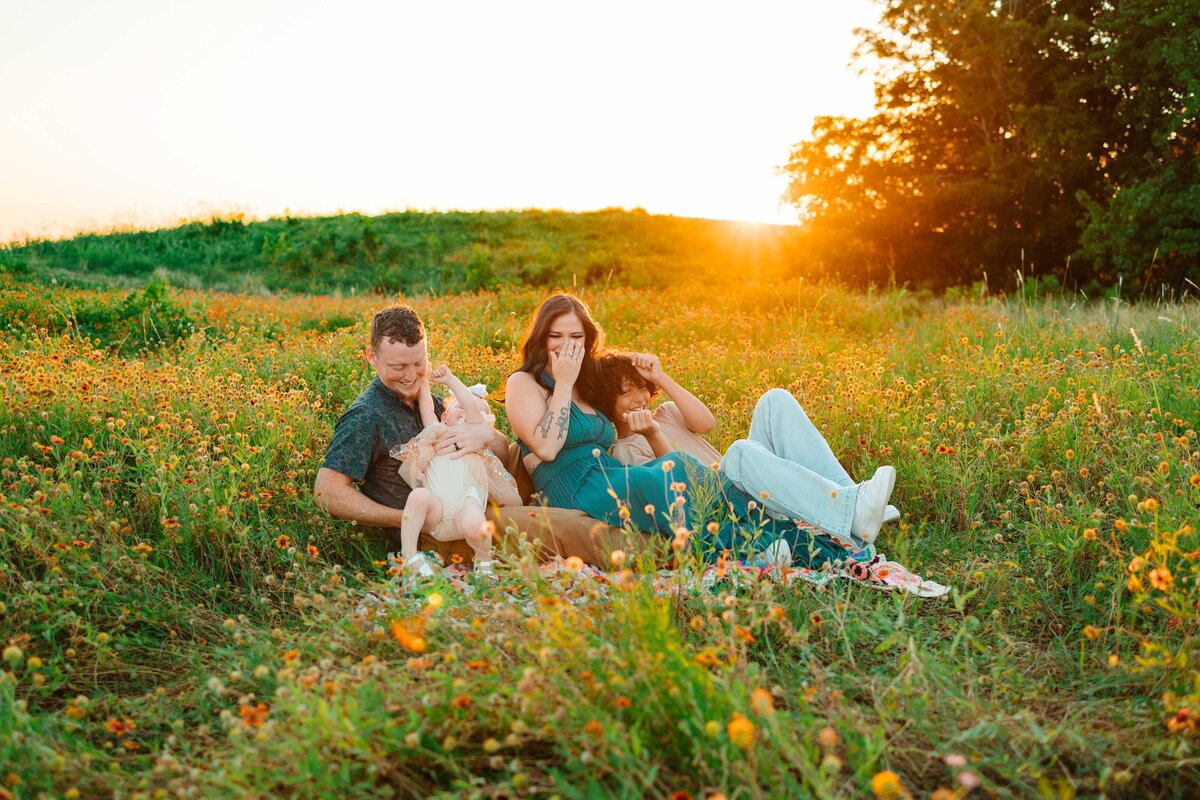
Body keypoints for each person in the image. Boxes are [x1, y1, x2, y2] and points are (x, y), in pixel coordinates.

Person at [504, 292, 847, 567]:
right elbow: (546, 448)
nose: (566, 345)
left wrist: (650, 369)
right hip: (572, 484)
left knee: (681, 466)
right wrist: (562, 384)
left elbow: (623, 375)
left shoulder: (587, 379)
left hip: (608, 471)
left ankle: (797, 542)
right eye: (556, 336)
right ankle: (739, 549)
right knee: (659, 480)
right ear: (541, 337)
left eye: (576, 336)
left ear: (588, 339)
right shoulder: (525, 383)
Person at [595, 352, 900, 548]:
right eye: (626, 392)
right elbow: (677, 479)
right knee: (740, 451)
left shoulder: (667, 413)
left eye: (642, 387)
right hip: (728, 508)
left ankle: (851, 501)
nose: (639, 398)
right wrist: (651, 434)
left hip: (748, 484)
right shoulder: (623, 450)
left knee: (774, 400)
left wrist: (660, 376)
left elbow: (707, 423)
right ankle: (849, 512)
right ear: (609, 401)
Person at [314, 305, 509, 562]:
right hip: (442, 531)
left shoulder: (429, 400)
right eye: (398, 366)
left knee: (527, 457)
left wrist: (485, 435)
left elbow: (504, 453)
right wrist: (408, 519)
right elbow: (326, 492)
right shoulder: (366, 415)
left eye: (419, 363)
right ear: (372, 357)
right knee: (570, 526)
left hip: (473, 499)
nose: (410, 376)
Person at [389, 365, 521, 576]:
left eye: (480, 412)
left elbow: (471, 407)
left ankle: (484, 564)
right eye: (457, 408)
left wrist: (451, 380)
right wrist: (423, 379)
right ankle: (410, 554)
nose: (469, 412)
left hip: (464, 514)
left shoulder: (476, 440)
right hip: (435, 514)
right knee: (418, 496)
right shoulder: (436, 432)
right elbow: (426, 407)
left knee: (474, 520)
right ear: (444, 417)